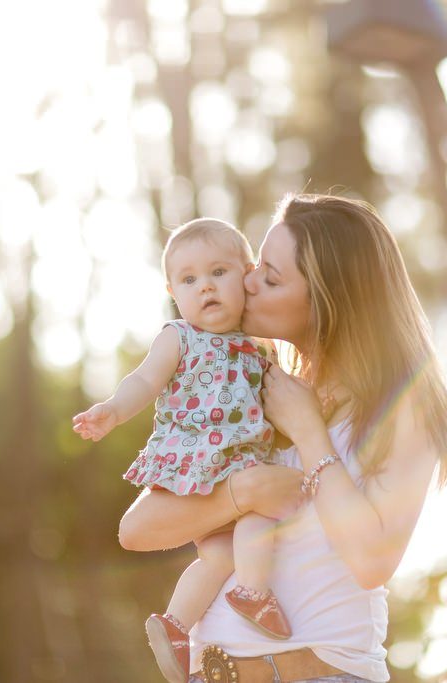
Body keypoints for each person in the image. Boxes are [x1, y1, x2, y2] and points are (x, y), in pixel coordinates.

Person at [118, 194, 447, 683]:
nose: (247, 281)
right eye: (256, 266)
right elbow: (138, 529)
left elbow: (372, 560)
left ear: (328, 298)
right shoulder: (253, 390)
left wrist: (307, 432)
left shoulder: (405, 410)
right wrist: (245, 492)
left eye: (270, 277)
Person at [73, 218, 294, 683]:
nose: (206, 287)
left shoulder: (260, 347)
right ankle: (253, 591)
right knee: (255, 516)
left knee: (220, 555)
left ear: (247, 275)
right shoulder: (180, 336)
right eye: (190, 280)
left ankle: (175, 624)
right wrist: (114, 410)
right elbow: (146, 380)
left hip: (245, 463)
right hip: (197, 460)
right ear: (173, 291)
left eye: (219, 272)